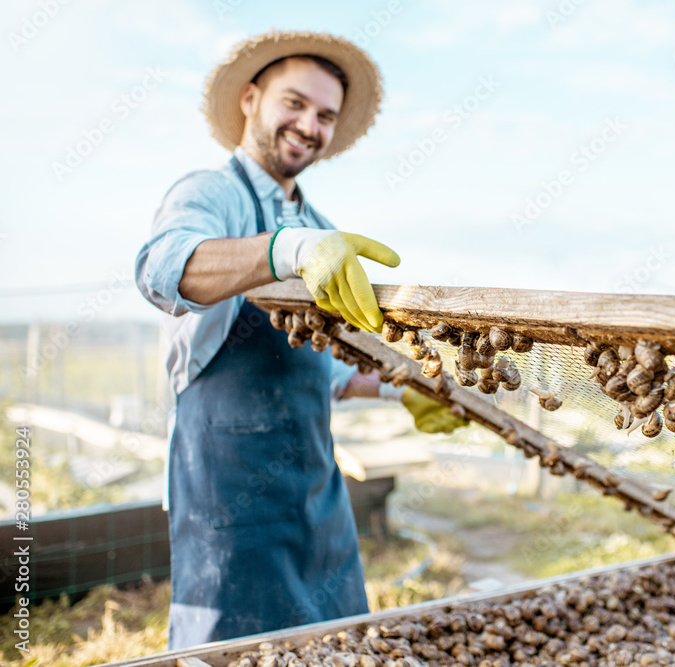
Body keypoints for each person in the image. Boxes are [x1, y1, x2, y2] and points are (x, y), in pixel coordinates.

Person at [135, 30, 466, 649]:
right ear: (251, 99)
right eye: (294, 103)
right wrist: (284, 251)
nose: (308, 124)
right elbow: (162, 270)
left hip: (317, 495)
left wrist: (403, 391)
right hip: (228, 499)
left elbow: (326, 371)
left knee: (338, 646)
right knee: (232, 657)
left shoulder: (321, 229)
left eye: (325, 116)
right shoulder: (211, 194)